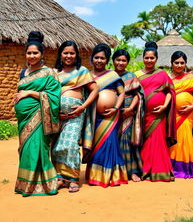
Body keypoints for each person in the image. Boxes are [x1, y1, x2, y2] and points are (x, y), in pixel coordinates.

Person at [13, 31, 61, 196]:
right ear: (25, 54)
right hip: (23, 119)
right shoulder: (23, 73)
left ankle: (45, 185)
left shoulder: (49, 72)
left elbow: (54, 96)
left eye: (35, 53)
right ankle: (25, 184)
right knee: (25, 149)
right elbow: (20, 90)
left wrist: (29, 94)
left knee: (37, 148)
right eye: (29, 53)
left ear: (42, 54)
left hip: (40, 116)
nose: (32, 56)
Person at [51, 40, 98, 193]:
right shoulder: (54, 73)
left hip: (76, 115)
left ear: (76, 54)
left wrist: (82, 107)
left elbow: (94, 90)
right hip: (57, 116)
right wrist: (54, 111)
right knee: (56, 147)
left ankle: (73, 179)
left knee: (70, 145)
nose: (69, 56)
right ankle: (59, 177)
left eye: (72, 53)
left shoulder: (82, 71)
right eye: (65, 53)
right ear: (60, 55)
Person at [85, 43, 128, 187]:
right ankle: (96, 176)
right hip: (93, 117)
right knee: (96, 146)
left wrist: (116, 107)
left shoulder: (112, 75)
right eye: (96, 57)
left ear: (107, 60)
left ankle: (112, 176)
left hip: (111, 116)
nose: (99, 60)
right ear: (92, 59)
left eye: (102, 58)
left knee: (110, 144)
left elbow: (122, 93)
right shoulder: (87, 76)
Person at [135, 41, 176, 182]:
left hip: (159, 115)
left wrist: (164, 106)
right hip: (143, 115)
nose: (149, 60)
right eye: (146, 58)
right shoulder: (137, 75)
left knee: (158, 142)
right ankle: (146, 171)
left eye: (152, 58)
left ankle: (161, 170)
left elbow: (170, 91)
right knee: (145, 144)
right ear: (143, 58)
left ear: (156, 59)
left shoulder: (162, 74)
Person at [169, 51, 193, 178]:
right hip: (172, 115)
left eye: (182, 63)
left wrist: (192, 106)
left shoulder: (190, 78)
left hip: (188, 114)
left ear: (185, 64)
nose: (179, 65)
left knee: (186, 139)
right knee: (174, 141)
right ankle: (172, 167)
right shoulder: (167, 78)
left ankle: (187, 168)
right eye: (176, 62)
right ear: (171, 63)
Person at [113, 49, 144, 182]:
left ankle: (131, 172)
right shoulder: (109, 75)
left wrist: (130, 108)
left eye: (123, 60)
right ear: (113, 60)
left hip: (128, 115)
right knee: (114, 144)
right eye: (118, 60)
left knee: (127, 142)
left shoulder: (131, 76)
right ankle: (116, 171)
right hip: (111, 116)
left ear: (127, 62)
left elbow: (138, 95)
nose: (120, 63)